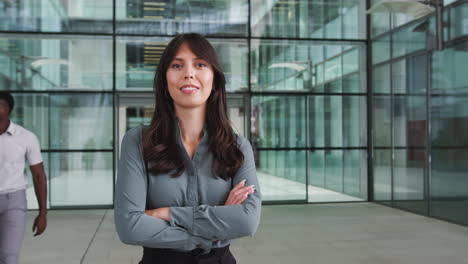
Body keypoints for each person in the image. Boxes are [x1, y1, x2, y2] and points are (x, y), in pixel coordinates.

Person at [114, 33, 261, 264]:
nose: (188, 73)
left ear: (214, 80)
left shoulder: (238, 147)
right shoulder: (137, 142)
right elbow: (130, 227)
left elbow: (247, 222)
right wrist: (214, 230)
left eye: (200, 64)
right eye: (177, 65)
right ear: (164, 80)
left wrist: (166, 213)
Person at [0, 91, 48, 264]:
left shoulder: (26, 137)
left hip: (14, 200)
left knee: (9, 257)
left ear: (9, 110)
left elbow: (39, 176)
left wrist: (43, 213)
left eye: (1, 105)